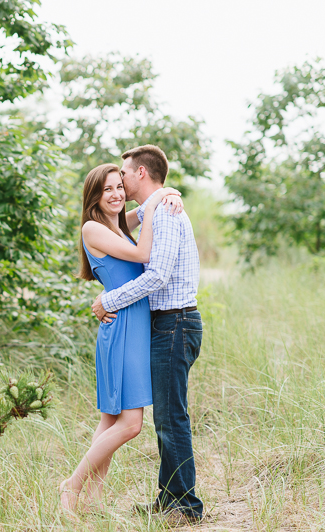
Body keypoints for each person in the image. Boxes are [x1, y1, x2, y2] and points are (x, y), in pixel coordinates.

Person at [91, 145, 204, 526]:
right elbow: (127, 222)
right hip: (163, 324)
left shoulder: (168, 213)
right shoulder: (157, 208)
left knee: (171, 418)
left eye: (123, 173)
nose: (119, 181)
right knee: (166, 418)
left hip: (175, 322)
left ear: (140, 172)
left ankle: (186, 505)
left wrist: (109, 300)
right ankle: (170, 496)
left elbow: (156, 275)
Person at [60, 163, 182, 514]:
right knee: (130, 424)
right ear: (94, 196)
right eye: (106, 190)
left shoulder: (116, 224)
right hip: (122, 327)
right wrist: (159, 199)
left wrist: (171, 195)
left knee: (111, 420)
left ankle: (94, 501)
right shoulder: (93, 229)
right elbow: (144, 255)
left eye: (118, 187)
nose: (115, 195)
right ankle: (72, 485)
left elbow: (144, 209)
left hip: (132, 324)